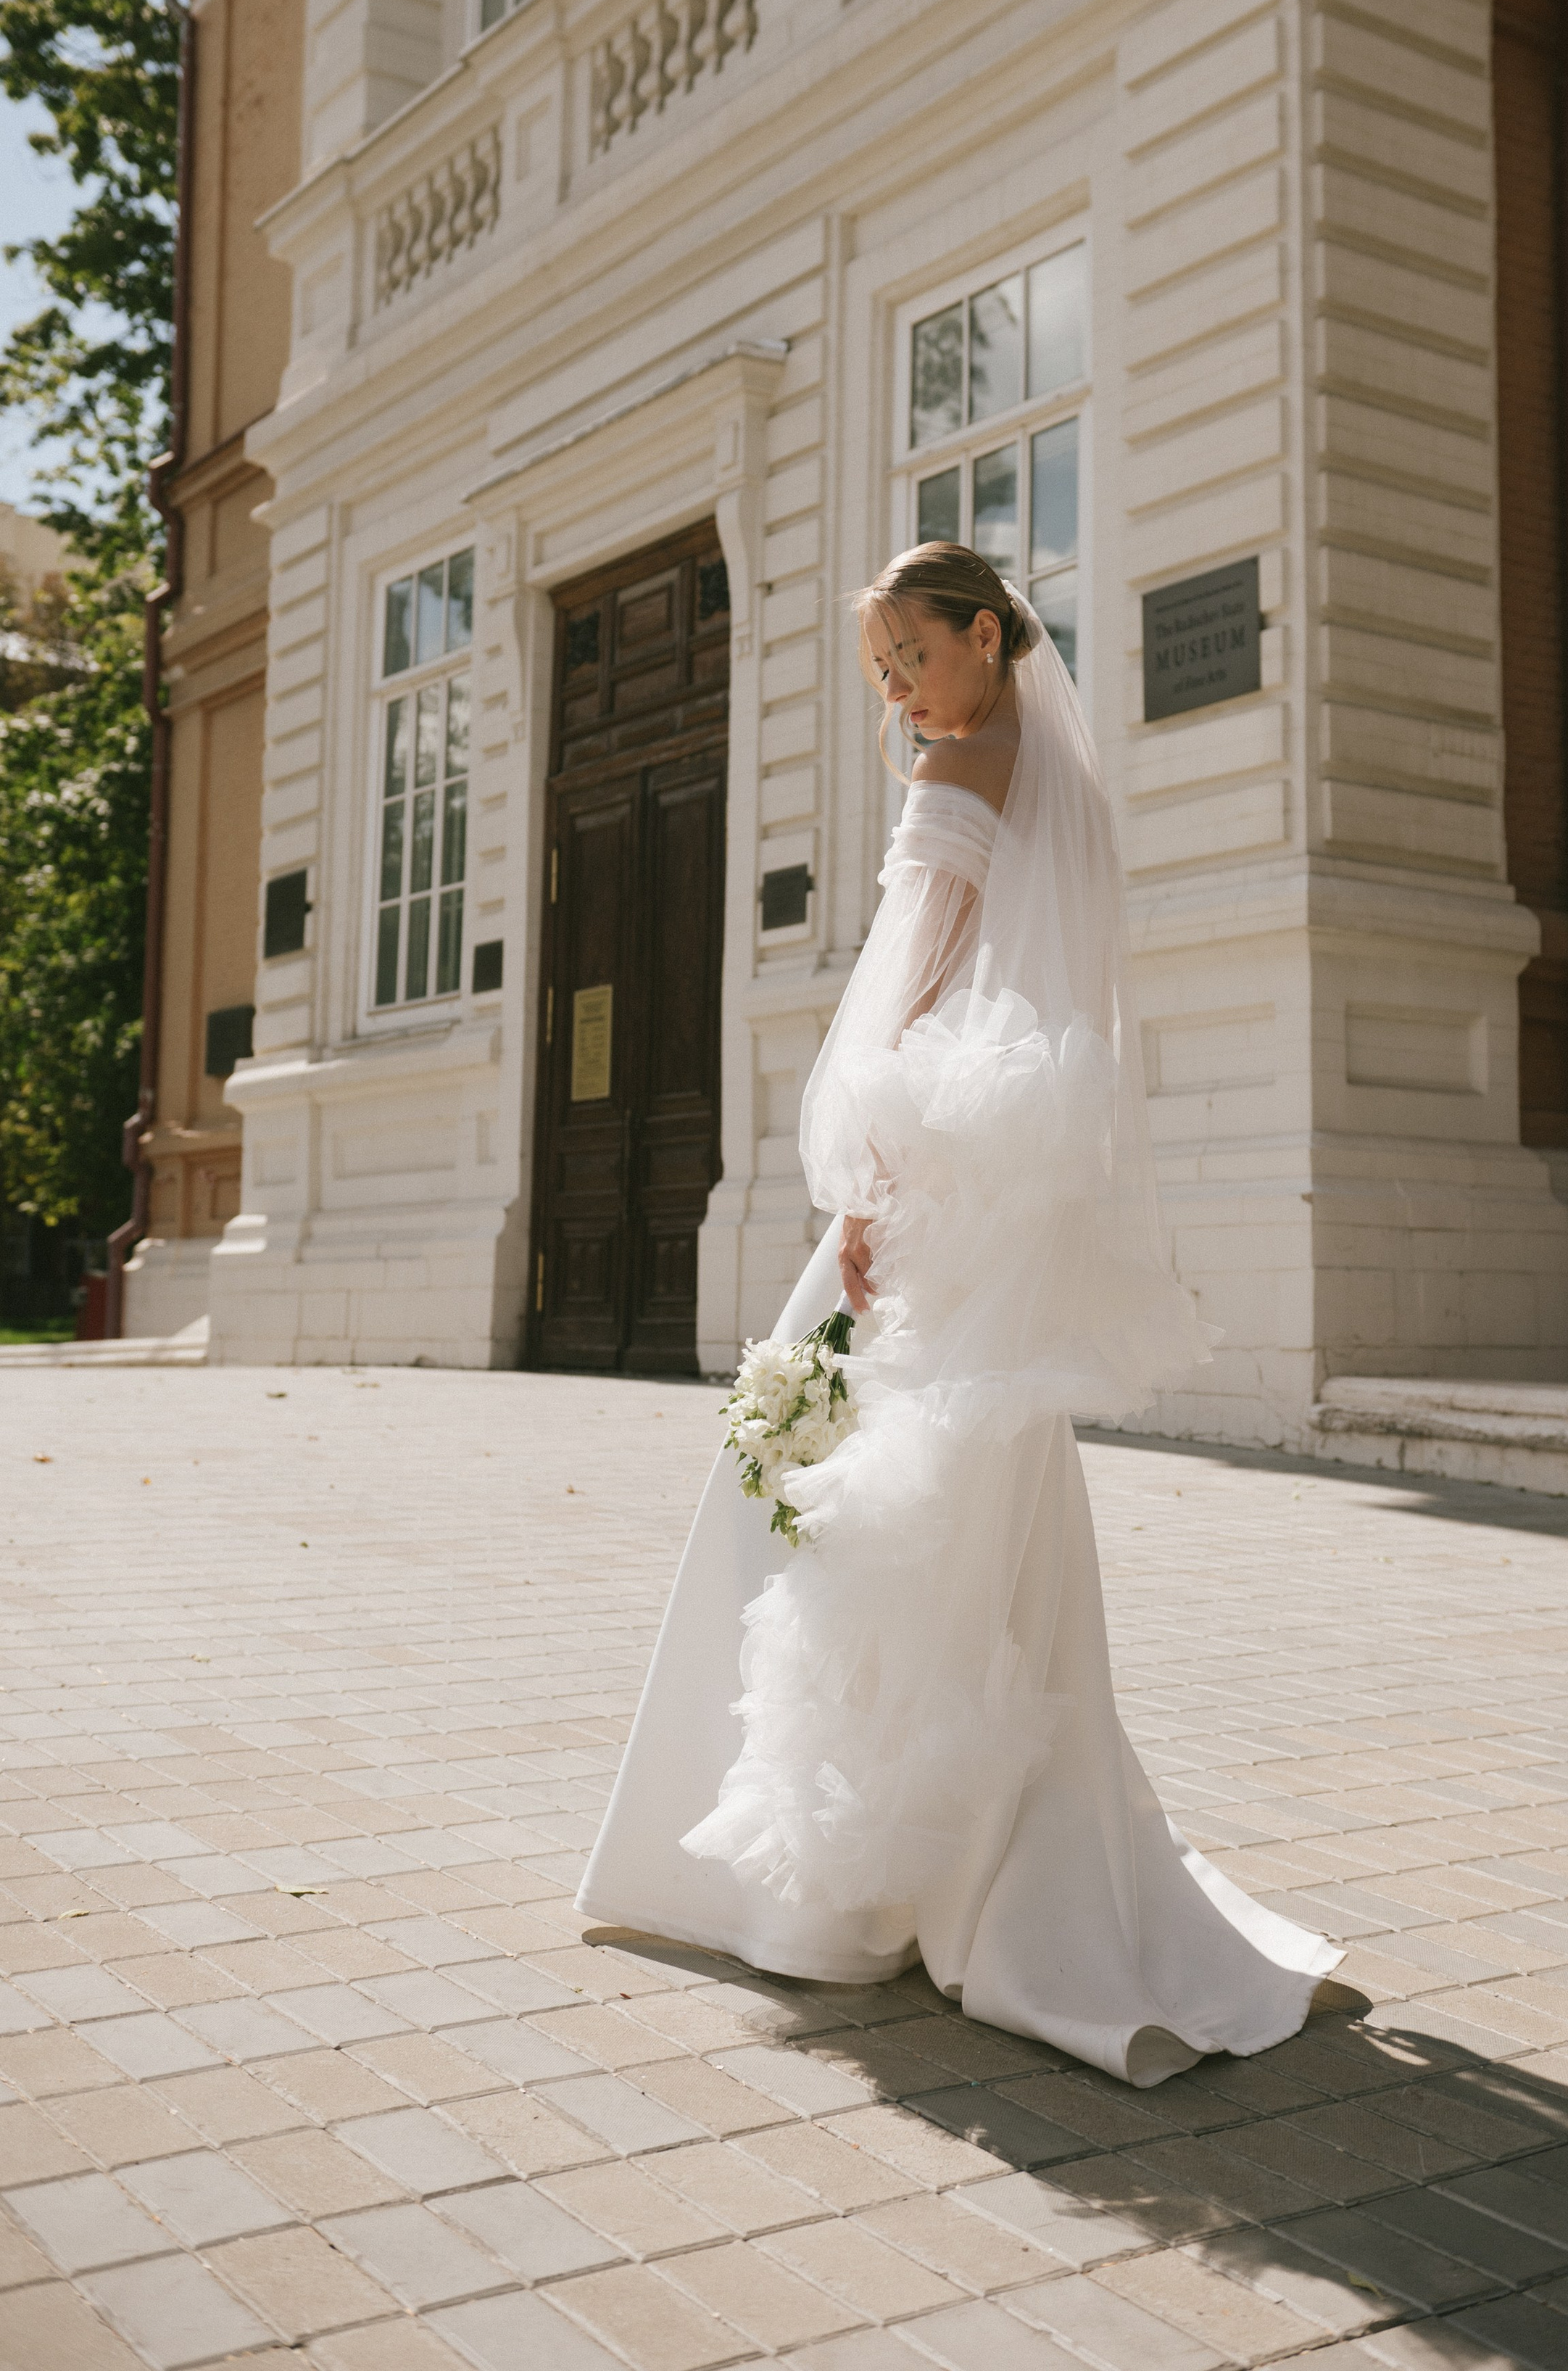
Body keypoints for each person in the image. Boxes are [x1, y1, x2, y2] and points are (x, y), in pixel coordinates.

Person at [576, 542, 1340, 2084]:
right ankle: (1004, 1861)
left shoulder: (955, 772)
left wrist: (863, 1189)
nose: (901, 695)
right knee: (984, 1495)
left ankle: (842, 1887)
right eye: (884, 673)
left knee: (821, 1487)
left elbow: (905, 988)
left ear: (985, 635)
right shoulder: (1059, 778)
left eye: (911, 658)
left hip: (923, 1182)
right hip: (1000, 1193)